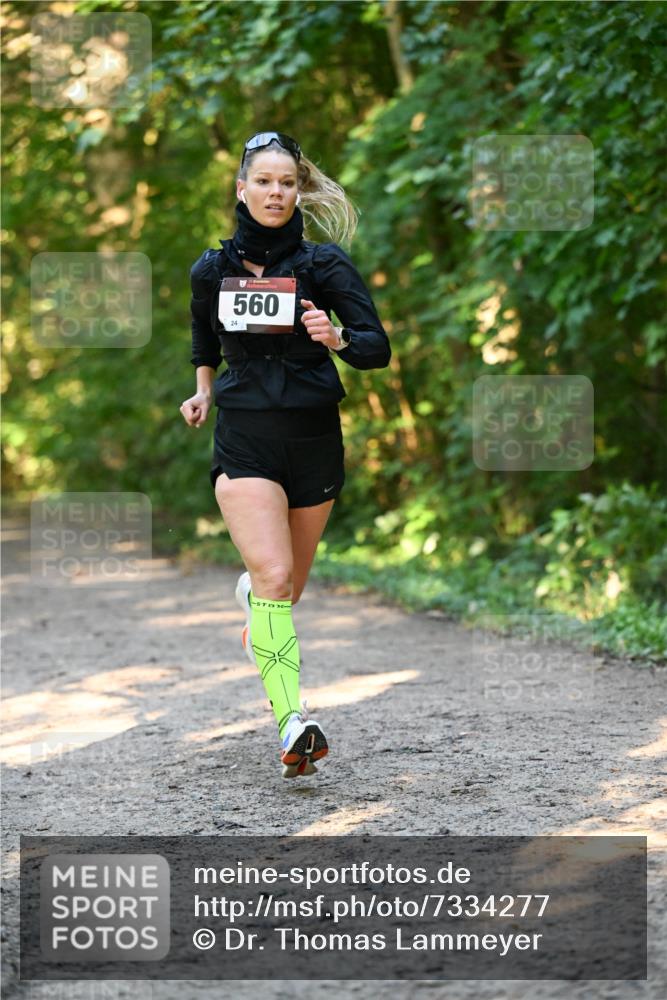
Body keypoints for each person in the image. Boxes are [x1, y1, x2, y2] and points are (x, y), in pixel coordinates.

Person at [180, 130, 390, 778]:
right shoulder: (209, 270)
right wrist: (201, 393)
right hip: (244, 436)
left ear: (297, 191)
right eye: (263, 181)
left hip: (313, 437)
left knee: (285, 591)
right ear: (240, 189)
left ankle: (257, 609)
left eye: (286, 183)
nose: (275, 193)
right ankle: (291, 722)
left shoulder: (324, 267)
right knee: (274, 579)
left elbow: (375, 347)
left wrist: (335, 336)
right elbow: (202, 338)